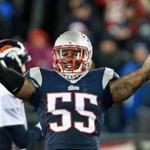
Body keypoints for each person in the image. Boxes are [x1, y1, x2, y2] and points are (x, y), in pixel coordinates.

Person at [0, 31, 150, 150]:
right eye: (64, 53)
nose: (69, 59)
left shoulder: (100, 78)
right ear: (56, 55)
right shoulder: (41, 78)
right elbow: (19, 86)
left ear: (88, 55)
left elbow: (127, 85)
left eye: (75, 53)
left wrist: (145, 71)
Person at [0, 39, 42, 150]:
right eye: (23, 63)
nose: (25, 68)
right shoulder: (5, 93)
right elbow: (23, 141)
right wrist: (43, 124)